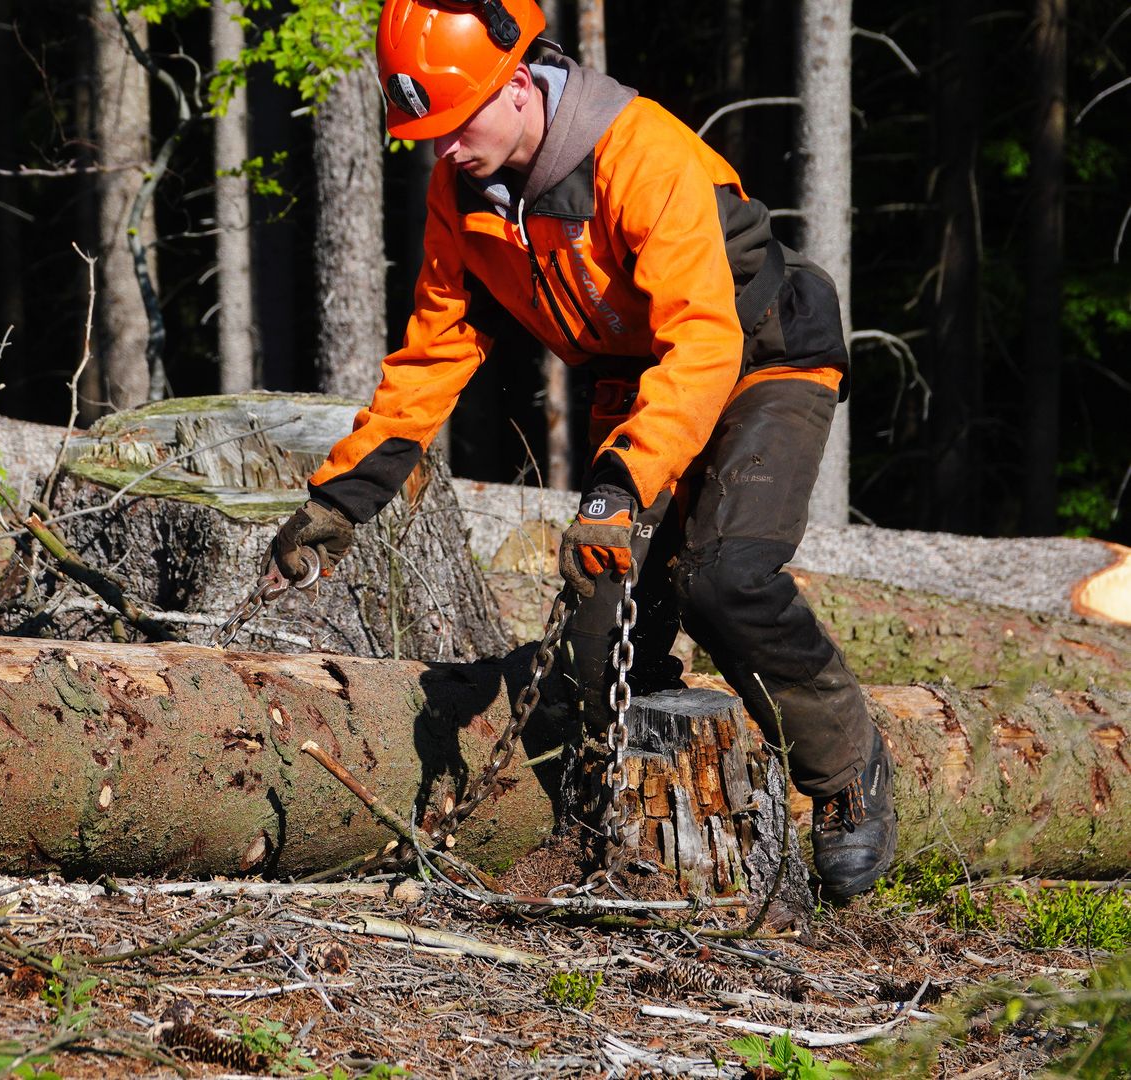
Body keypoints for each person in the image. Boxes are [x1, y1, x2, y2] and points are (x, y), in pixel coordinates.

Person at [267, 0, 895, 899]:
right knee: (602, 602)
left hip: (759, 359)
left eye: (454, 125)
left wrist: (626, 482)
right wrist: (344, 496)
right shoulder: (467, 194)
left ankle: (847, 778)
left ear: (518, 84)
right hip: (642, 379)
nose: (442, 151)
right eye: (427, 134)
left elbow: (705, 341)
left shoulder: (642, 154)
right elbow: (437, 349)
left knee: (723, 580)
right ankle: (614, 816)